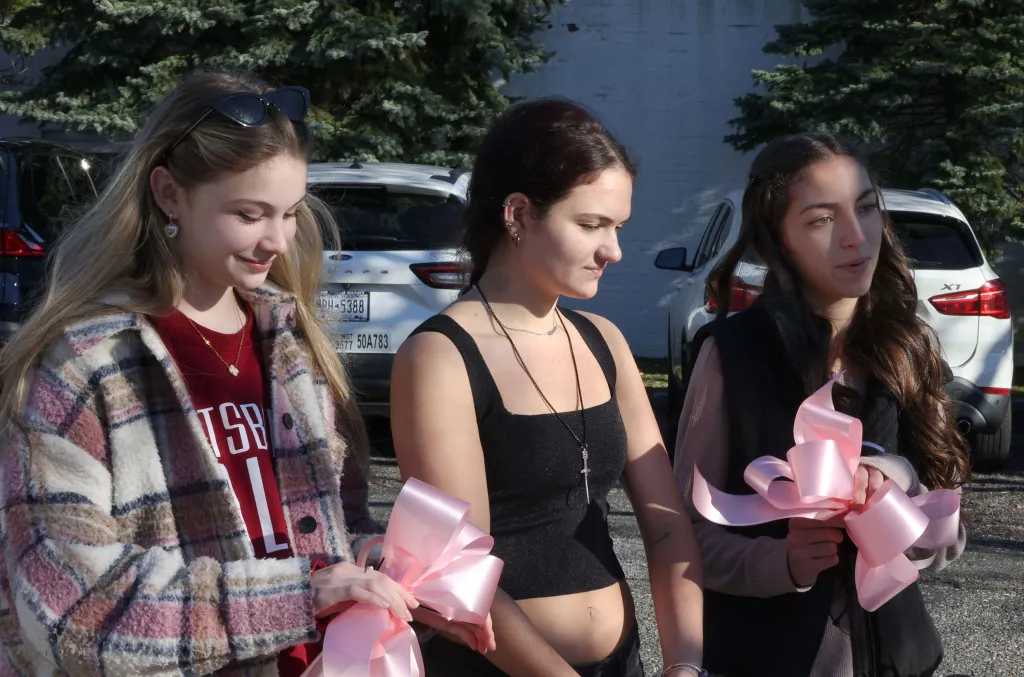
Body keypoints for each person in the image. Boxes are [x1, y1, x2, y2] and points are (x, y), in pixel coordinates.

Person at [0, 71, 484, 677]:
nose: (278, 241)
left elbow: (331, 529)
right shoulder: (83, 362)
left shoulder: (292, 343)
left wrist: (377, 565)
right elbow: (69, 608)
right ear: (169, 193)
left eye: (291, 212)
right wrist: (301, 595)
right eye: (250, 214)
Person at [390, 98, 705, 677]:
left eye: (618, 227)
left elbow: (665, 524)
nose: (613, 250)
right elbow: (460, 569)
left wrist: (685, 662)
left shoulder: (602, 341)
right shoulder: (440, 356)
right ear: (518, 213)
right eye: (590, 225)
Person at [673, 132, 970, 677]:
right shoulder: (732, 355)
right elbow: (685, 532)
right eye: (822, 219)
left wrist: (897, 485)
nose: (857, 237)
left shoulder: (908, 348)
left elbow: (948, 534)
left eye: (865, 208)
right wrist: (778, 562)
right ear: (778, 239)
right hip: (762, 658)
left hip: (897, 658)